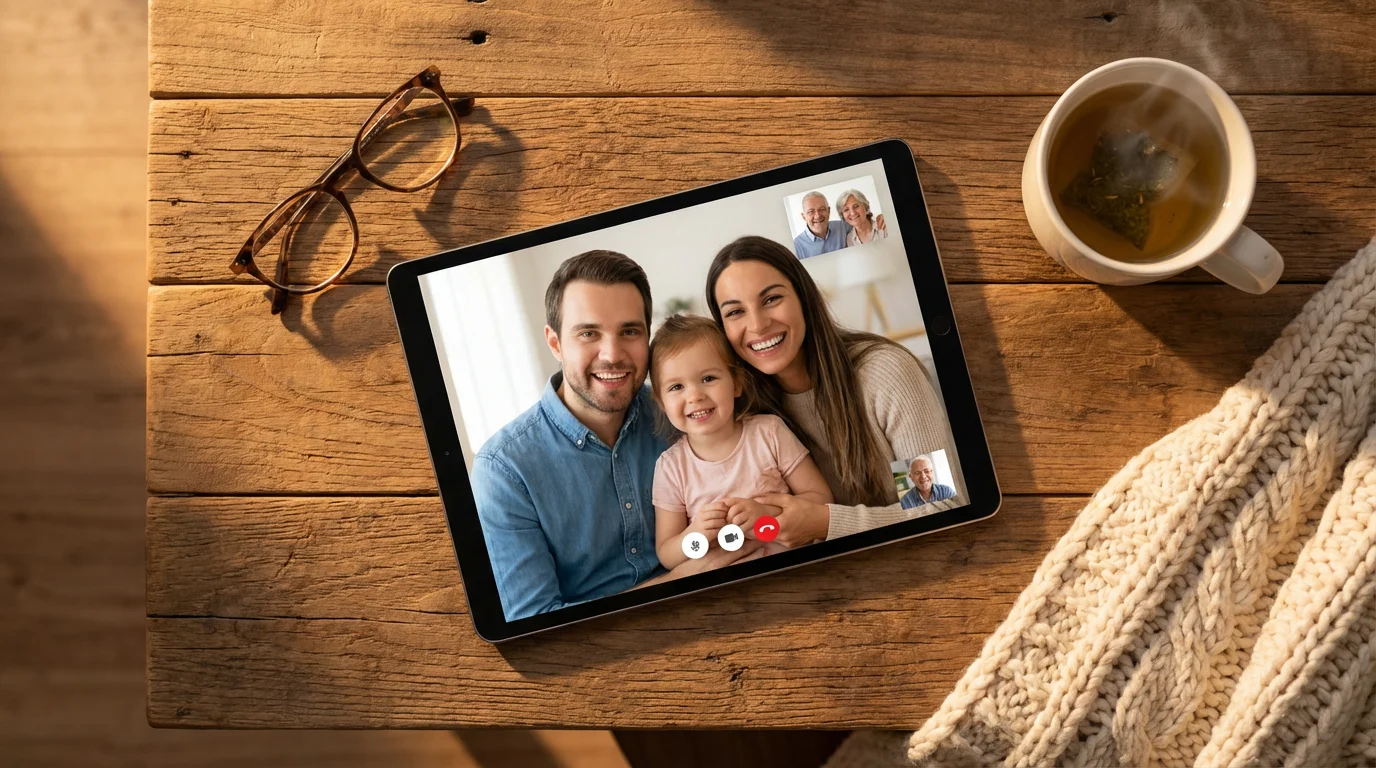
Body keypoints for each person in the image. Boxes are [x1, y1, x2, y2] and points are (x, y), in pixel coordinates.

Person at [471, 250, 761, 621]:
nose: (612, 354)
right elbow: (535, 622)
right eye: (588, 333)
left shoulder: (684, 413)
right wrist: (684, 579)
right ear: (555, 343)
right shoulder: (504, 469)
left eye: (629, 331)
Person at [705, 235, 965, 547]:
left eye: (771, 299)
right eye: (735, 312)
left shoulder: (883, 373)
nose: (758, 324)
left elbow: (939, 505)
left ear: (804, 297)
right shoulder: (745, 409)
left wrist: (825, 522)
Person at [648, 314, 832, 569]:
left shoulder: (769, 433)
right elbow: (667, 554)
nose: (694, 396)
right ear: (661, 402)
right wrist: (696, 534)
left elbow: (822, 500)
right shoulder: (670, 467)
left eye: (708, 379)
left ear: (736, 383)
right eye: (676, 387)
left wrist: (768, 515)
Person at [791, 191, 849, 259]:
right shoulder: (796, 247)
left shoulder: (844, 227)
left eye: (822, 209)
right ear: (804, 217)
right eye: (811, 212)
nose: (817, 216)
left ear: (829, 211)